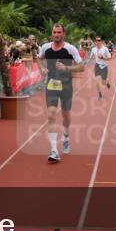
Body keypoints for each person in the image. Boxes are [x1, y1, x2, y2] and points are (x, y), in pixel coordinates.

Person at [38, 24, 84, 164]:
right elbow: (39, 58)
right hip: (52, 84)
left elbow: (81, 66)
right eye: (54, 32)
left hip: (66, 85)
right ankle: (54, 150)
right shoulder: (45, 47)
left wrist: (67, 67)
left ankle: (66, 136)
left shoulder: (70, 48)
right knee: (51, 114)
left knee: (66, 115)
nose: (56, 34)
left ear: (63, 34)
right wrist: (42, 69)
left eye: (59, 32)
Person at [89, 36, 112, 100]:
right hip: (97, 66)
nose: (98, 42)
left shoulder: (105, 49)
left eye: (99, 40)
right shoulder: (93, 49)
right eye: (96, 40)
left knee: (103, 82)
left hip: (104, 66)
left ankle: (107, 82)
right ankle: (100, 95)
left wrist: (103, 57)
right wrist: (85, 63)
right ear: (95, 42)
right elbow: (91, 57)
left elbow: (110, 58)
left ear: (101, 41)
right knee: (97, 81)